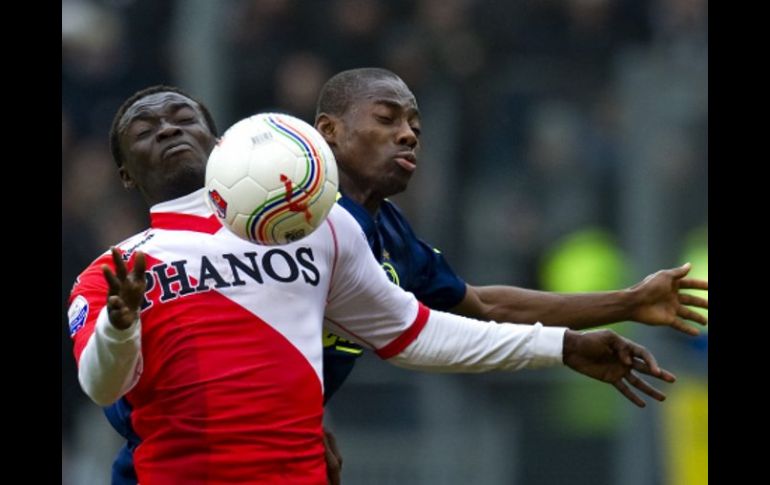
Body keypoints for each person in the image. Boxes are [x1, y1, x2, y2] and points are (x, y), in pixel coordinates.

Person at [66, 85, 676, 484]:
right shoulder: (110, 274)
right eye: (145, 130)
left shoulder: (316, 225)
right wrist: (122, 324)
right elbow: (101, 384)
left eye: (182, 118)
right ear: (124, 172)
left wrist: (562, 345)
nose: (168, 130)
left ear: (222, 141)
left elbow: (417, 334)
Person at [313, 67, 709, 400]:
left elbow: (486, 306)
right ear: (329, 129)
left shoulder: (391, 231)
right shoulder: (297, 218)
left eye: (414, 126)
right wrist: (564, 346)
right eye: (386, 119)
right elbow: (417, 337)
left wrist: (630, 303)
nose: (409, 135)